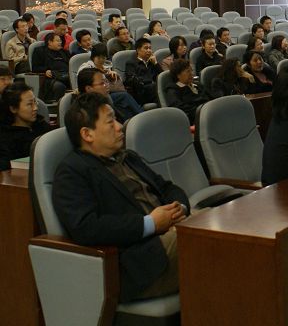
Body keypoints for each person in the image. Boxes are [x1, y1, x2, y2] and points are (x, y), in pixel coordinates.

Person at [52, 92, 190, 303]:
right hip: (139, 262)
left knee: (217, 221)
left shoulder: (127, 157)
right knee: (211, 241)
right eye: (110, 122)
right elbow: (87, 227)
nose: (119, 127)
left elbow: (166, 187)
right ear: (87, 134)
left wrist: (179, 208)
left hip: (170, 232)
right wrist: (150, 224)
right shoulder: (72, 171)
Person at [78, 44, 143, 120]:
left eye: (103, 57)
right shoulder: (85, 68)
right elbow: (82, 83)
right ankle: (141, 116)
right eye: (99, 57)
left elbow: (115, 84)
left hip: (108, 92)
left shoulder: (106, 67)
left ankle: (134, 120)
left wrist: (111, 74)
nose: (101, 60)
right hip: (95, 95)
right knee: (124, 96)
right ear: (93, 57)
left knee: (123, 107)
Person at [0, 82, 51, 170]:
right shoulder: (6, 138)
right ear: (13, 108)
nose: (35, 108)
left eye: (35, 102)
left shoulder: (41, 125)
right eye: (29, 104)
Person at [165, 59, 208, 125]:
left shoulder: (198, 85)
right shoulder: (173, 90)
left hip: (208, 114)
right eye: (188, 71)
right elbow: (180, 110)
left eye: (191, 70)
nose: (192, 74)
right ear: (178, 75)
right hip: (193, 121)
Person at [31, 33, 71, 102]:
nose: (60, 43)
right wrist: (45, 71)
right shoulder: (40, 51)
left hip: (67, 75)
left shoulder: (64, 52)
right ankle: (59, 106)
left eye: (60, 41)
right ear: (50, 42)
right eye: (57, 41)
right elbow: (35, 68)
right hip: (51, 78)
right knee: (59, 86)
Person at [125, 38, 162, 105]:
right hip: (142, 92)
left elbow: (162, 76)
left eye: (150, 48)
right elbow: (131, 80)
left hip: (154, 89)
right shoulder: (131, 63)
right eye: (146, 48)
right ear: (138, 50)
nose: (149, 50)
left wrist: (156, 63)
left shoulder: (152, 62)